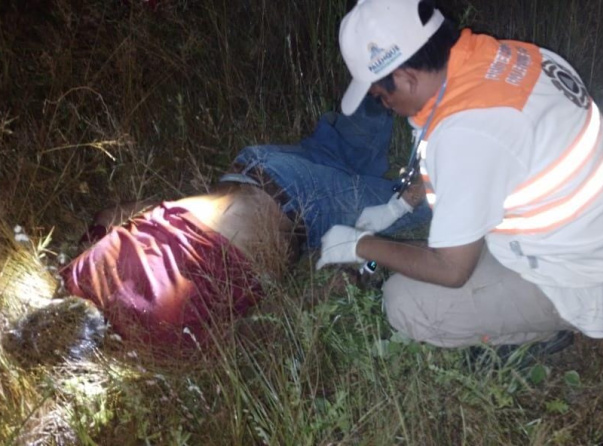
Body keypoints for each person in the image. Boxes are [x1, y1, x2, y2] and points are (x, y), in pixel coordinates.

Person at [317, 0, 603, 354]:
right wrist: (399, 208)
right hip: (588, 242)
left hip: (572, 283)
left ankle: (543, 333)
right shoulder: (500, 60)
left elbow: (451, 270)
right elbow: (489, 159)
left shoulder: (466, 133)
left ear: (406, 79)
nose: (385, 107)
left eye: (380, 97)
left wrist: (357, 245)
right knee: (412, 258)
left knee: (404, 301)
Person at [60, 98, 431, 349]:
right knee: (357, 135)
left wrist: (333, 288)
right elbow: (110, 217)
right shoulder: (83, 272)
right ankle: (397, 42)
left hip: (302, 203)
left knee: (429, 205)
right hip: (256, 170)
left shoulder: (156, 335)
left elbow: (262, 330)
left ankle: (480, 162)